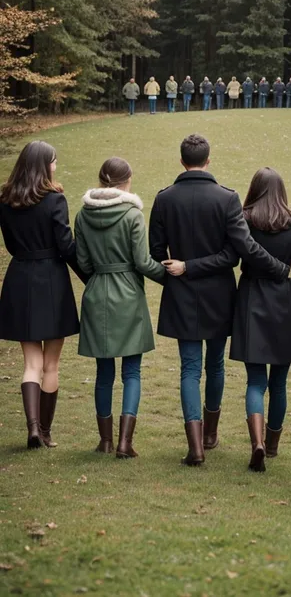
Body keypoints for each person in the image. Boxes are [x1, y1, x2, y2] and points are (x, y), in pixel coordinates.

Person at [149, 134, 290, 467]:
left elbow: (156, 255)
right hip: (218, 295)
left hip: (182, 294)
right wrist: (280, 270)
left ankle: (197, 445)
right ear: (208, 161)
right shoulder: (227, 198)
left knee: (190, 369)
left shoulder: (164, 199)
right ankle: (208, 437)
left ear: (182, 161)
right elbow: (233, 255)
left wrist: (180, 272)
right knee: (213, 366)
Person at [75, 157, 166, 459]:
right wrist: (170, 276)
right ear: (127, 180)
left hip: (97, 291)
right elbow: (142, 261)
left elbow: (84, 263)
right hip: (127, 292)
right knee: (132, 371)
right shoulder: (132, 214)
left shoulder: (82, 215)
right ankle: (125, 442)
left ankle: (105, 441)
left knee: (104, 372)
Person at [0, 141, 87, 449]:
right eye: (53, 161)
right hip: (51, 279)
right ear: (42, 165)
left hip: (20, 277)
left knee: (31, 364)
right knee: (51, 364)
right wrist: (88, 277)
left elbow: (10, 244)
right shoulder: (55, 200)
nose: (55, 166)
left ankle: (32, 427)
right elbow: (67, 246)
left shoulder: (5, 198)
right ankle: (45, 432)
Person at [230, 168, 291, 472]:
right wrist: (290, 293)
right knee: (279, 382)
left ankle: (257, 443)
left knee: (255, 380)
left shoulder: (244, 219)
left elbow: (235, 256)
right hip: (283, 301)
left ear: (254, 189)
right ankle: (272, 445)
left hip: (251, 297)